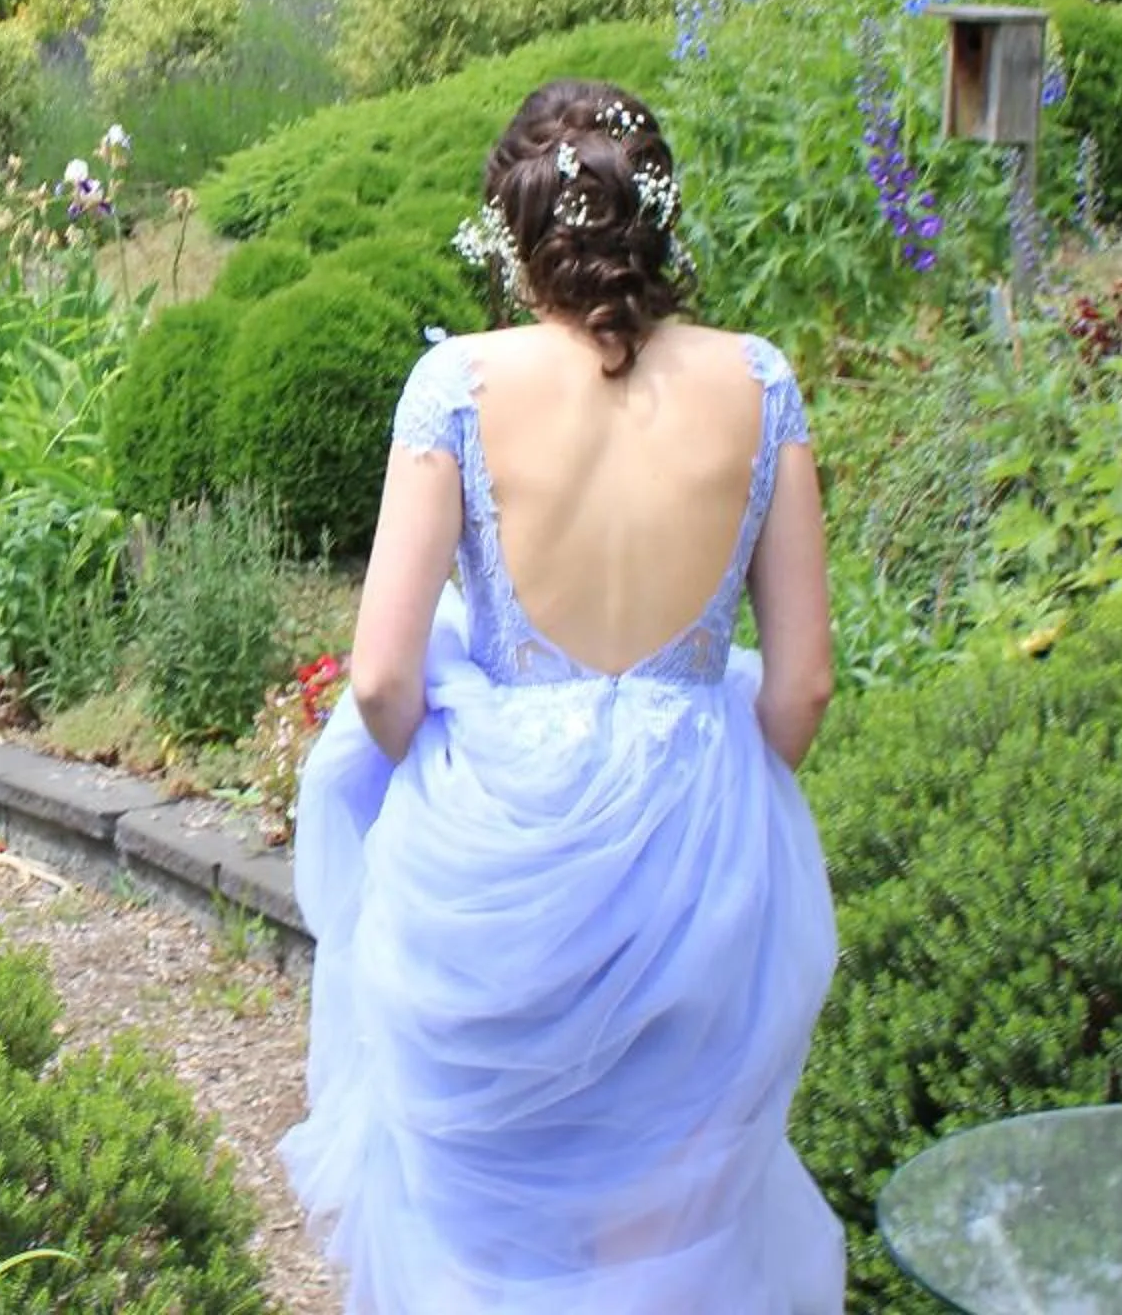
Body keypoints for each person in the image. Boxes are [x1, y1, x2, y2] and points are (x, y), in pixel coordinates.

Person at [278, 77, 845, 1313]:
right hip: (699, 853)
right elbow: (801, 683)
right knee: (667, 1216)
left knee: (487, 1237)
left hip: (496, 854)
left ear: (515, 232)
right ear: (658, 220)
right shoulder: (763, 381)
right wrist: (698, 770)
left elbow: (380, 674)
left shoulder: (462, 386)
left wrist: (437, 758)